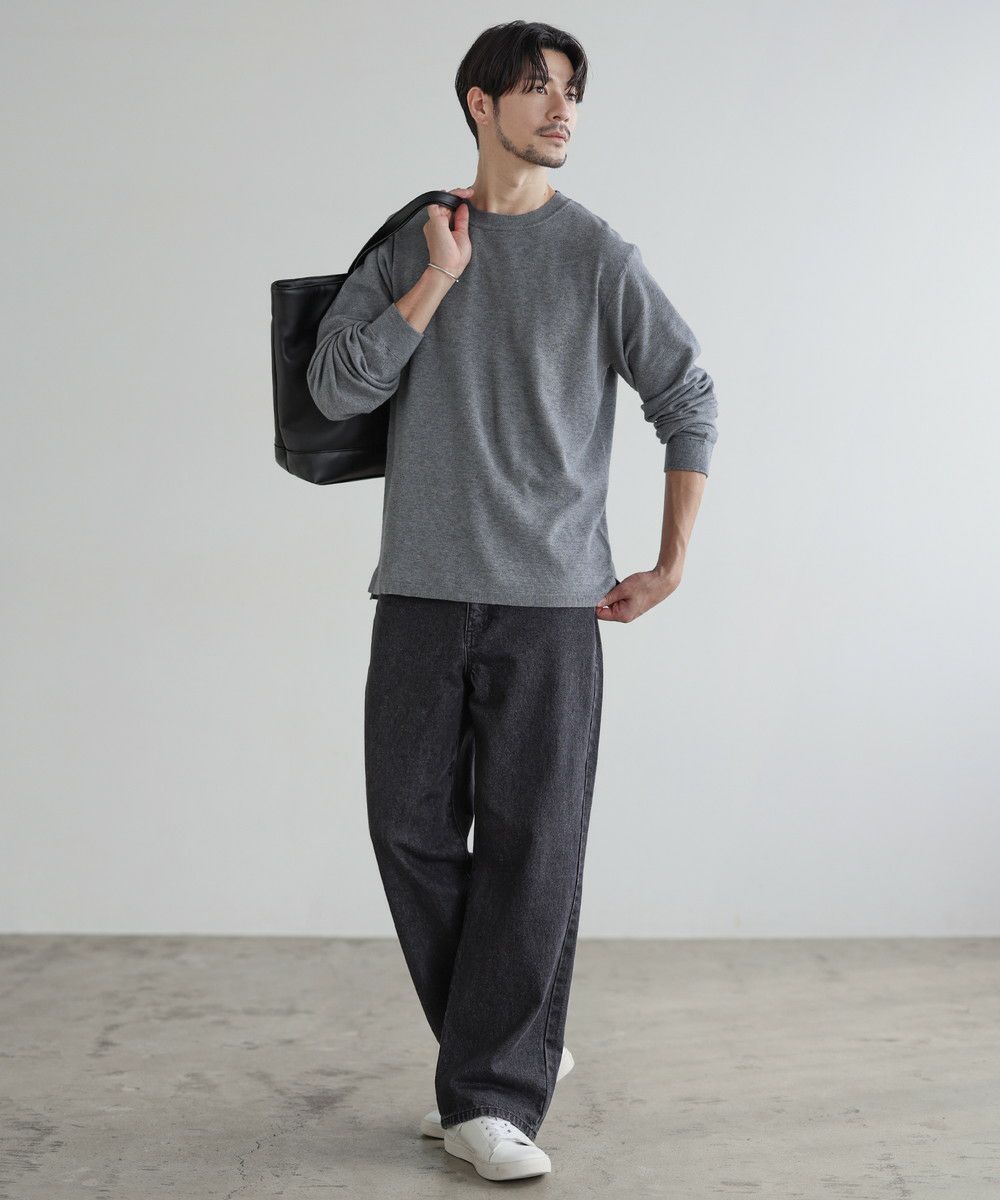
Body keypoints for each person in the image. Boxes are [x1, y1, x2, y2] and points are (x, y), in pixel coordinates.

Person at [307, 19, 719, 1183]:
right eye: (537, 87)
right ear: (479, 104)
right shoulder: (417, 240)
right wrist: (437, 278)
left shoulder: (598, 256)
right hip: (421, 594)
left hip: (550, 608)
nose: (562, 107)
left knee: (534, 852)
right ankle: (506, 1045)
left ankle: (490, 1094)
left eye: (572, 89)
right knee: (406, 829)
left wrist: (670, 561)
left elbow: (687, 396)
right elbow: (335, 387)